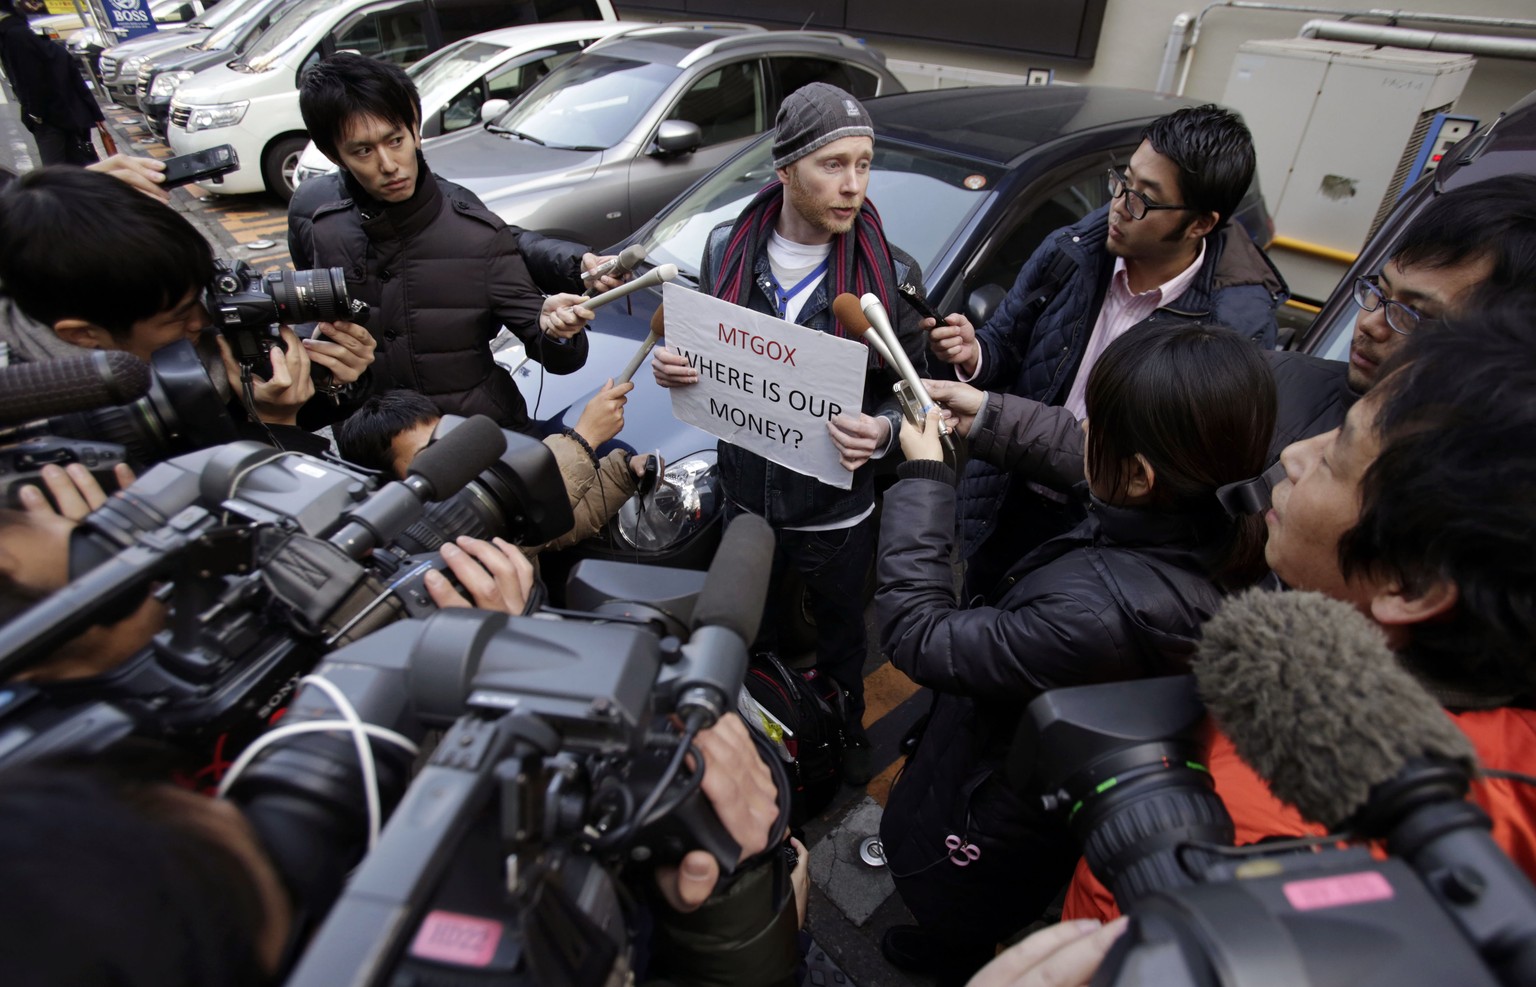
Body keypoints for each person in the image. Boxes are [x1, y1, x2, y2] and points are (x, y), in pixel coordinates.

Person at [1063, 301, 1536, 921]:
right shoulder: (1504, 762)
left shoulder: (1273, 827)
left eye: (1336, 456)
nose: (1293, 455)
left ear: (1412, 587)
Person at [874, 322, 1274, 984]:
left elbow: (920, 633)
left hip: (998, 811)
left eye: (1097, 426)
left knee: (960, 903)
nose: (1080, 431)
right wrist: (990, 413)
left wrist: (923, 475)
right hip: (1044, 794)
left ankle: (950, 953)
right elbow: (1089, 461)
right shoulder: (1214, 514)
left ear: (1142, 475)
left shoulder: (1096, 616)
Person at [651, 82, 928, 785]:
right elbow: (708, 358)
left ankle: (839, 748)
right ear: (784, 170)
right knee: (754, 639)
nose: (853, 186)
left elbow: (922, 404)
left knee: (841, 646)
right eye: (832, 165)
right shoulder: (724, 248)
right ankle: (756, 750)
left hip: (839, 514)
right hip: (747, 503)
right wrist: (678, 366)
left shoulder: (892, 275)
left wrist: (885, 433)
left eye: (864, 164)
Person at [925, 104, 1285, 597]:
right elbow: (1007, 344)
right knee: (976, 621)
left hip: (1109, 533)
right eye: (1123, 181)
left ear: (1200, 224)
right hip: (1007, 498)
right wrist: (974, 353)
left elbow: (1184, 472)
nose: (1119, 204)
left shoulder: (1231, 329)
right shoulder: (1072, 249)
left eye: (1144, 200)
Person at [291, 53, 619, 431]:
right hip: (368, 449)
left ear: (415, 128)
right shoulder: (320, 221)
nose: (388, 164)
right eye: (363, 150)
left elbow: (559, 353)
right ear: (335, 155)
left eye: (395, 140)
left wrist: (558, 331)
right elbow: (312, 322)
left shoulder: (476, 232)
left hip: (471, 443)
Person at [0, 167, 374, 450]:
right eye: (178, 316)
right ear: (83, 334)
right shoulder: (51, 437)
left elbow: (275, 396)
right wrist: (276, 425)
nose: (204, 319)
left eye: (203, 294)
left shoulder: (170, 316)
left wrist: (329, 382)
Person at [1267, 173, 1536, 458]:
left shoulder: (1487, 492)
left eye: (1415, 313)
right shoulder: (1268, 388)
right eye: (1380, 292)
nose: (1371, 325)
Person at [334, 386, 657, 555]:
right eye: (426, 455)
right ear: (390, 486)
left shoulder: (474, 485)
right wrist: (584, 437)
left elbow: (553, 528)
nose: (445, 457)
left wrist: (622, 473)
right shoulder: (424, 543)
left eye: (445, 440)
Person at [0, 0, 104, 165]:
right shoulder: (20, 33)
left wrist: (35, 114)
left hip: (51, 116)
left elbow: (31, 78)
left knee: (57, 173)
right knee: (74, 168)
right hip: (63, 111)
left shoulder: (15, 36)